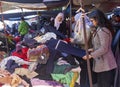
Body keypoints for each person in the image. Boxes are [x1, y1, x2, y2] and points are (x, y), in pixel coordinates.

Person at [83, 9, 117, 87]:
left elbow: (104, 48)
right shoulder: (100, 29)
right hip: (102, 63)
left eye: (92, 20)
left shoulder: (102, 30)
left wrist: (91, 55)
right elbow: (100, 45)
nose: (92, 23)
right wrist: (92, 49)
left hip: (106, 63)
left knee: (104, 84)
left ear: (97, 19)